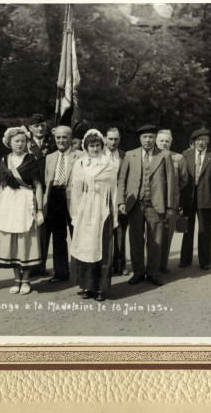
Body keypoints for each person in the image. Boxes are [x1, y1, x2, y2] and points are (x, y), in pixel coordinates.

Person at [117, 124, 178, 286]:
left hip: (155, 204)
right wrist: (121, 201)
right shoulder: (130, 155)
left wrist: (171, 206)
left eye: (151, 137)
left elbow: (171, 182)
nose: (148, 140)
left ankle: (152, 273)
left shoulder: (164, 156)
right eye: (145, 137)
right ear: (140, 139)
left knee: (155, 241)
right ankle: (138, 272)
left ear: (155, 139)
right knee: (136, 239)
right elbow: (122, 180)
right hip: (135, 204)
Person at [0, 127, 44, 295]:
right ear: (10, 143)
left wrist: (39, 209)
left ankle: (27, 279)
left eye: (23, 141)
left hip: (25, 201)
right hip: (9, 202)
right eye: (17, 141)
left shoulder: (31, 159)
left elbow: (38, 185)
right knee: (13, 241)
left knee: (26, 240)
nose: (20, 144)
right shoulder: (3, 160)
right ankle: (17, 279)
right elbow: (2, 184)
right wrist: (0, 203)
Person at [70, 129, 118, 301]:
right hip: (85, 208)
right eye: (91, 146)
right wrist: (75, 213)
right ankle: (87, 286)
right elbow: (75, 190)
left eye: (97, 145)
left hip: (102, 208)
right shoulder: (80, 164)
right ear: (86, 147)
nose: (95, 149)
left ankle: (100, 288)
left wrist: (112, 214)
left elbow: (113, 190)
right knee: (86, 247)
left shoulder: (108, 164)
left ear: (101, 146)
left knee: (101, 248)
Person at [43, 125, 84, 284]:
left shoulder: (80, 155)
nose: (61, 140)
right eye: (58, 137)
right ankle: (60, 272)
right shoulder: (50, 157)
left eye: (64, 137)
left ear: (70, 138)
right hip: (55, 198)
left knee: (77, 234)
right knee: (58, 236)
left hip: (74, 197)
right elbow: (47, 182)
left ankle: (79, 272)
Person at [179, 129, 211, 270]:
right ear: (193, 142)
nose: (201, 143)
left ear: (208, 141)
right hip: (189, 198)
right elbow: (182, 178)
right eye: (198, 140)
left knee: (204, 230)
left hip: (206, 197)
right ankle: (185, 259)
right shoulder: (186, 154)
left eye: (203, 139)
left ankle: (205, 261)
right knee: (187, 229)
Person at [156, 129, 189, 273]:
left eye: (167, 141)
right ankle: (152, 265)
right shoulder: (152, 156)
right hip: (154, 202)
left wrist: (173, 191)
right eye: (161, 141)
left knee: (167, 234)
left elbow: (184, 179)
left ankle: (163, 265)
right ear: (157, 142)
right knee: (153, 234)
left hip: (171, 203)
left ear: (171, 142)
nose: (164, 143)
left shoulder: (178, 158)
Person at [26, 113, 53, 277]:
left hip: (47, 190)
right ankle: (29, 264)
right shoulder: (25, 144)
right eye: (36, 126)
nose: (40, 128)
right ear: (30, 128)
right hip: (29, 190)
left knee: (45, 229)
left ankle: (41, 265)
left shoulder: (52, 143)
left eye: (42, 125)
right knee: (29, 228)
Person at [105, 127, 128, 276]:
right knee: (104, 233)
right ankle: (104, 266)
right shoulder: (98, 154)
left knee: (120, 233)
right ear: (105, 139)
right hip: (102, 199)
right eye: (110, 139)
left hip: (119, 199)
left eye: (116, 139)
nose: (113, 142)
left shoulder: (125, 156)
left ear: (119, 139)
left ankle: (119, 266)